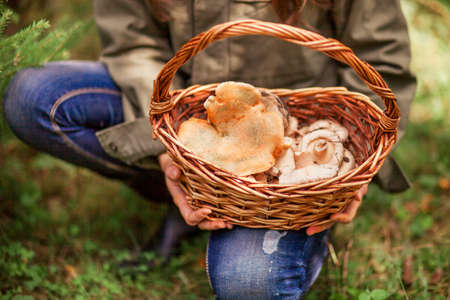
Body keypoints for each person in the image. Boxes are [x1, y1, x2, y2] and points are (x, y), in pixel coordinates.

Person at [3, 0, 416, 298]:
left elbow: (382, 64)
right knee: (35, 97)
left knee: (247, 284)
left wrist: (347, 173)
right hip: (181, 108)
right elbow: (133, 46)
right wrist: (168, 146)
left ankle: (300, 225)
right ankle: (182, 198)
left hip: (298, 142)